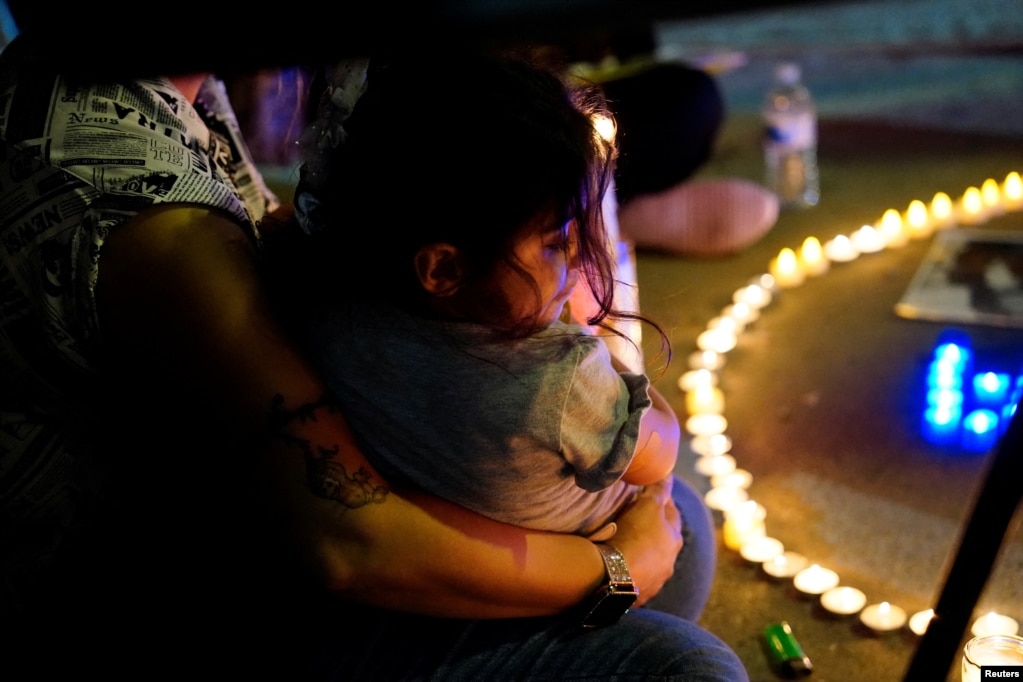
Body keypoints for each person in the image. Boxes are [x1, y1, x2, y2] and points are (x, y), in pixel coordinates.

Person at [0, 22, 747, 682]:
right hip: (175, 595)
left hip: (260, 500)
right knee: (685, 657)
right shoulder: (153, 222)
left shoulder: (147, 73)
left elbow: (291, 243)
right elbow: (348, 540)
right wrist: (615, 573)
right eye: (559, 244)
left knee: (680, 526)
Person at [279, 53, 679, 547]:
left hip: (457, 533)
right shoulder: (556, 376)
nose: (577, 259)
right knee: (689, 527)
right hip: (588, 550)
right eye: (556, 242)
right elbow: (657, 457)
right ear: (444, 269)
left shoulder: (339, 304)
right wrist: (616, 366)